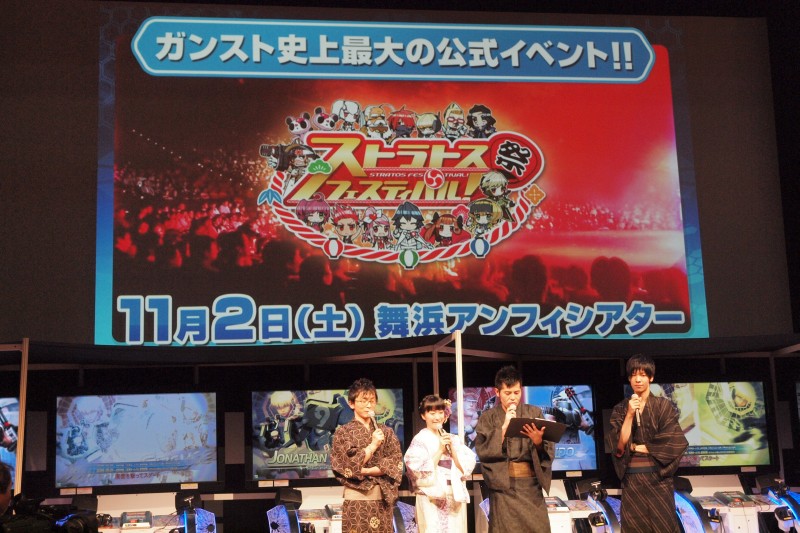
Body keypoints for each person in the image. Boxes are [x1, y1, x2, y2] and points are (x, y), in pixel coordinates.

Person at [609, 354, 688, 532]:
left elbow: (673, 441)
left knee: (664, 526)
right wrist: (630, 414)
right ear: (629, 378)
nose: (638, 379)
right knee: (633, 526)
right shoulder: (620, 409)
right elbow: (619, 447)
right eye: (634, 375)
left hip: (658, 479)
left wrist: (637, 447)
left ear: (651, 378)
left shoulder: (663, 406)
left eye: (643, 375)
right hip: (632, 480)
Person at [475, 366, 555, 533]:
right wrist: (504, 428)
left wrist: (538, 442)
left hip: (531, 487)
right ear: (497, 392)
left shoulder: (533, 412)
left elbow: (547, 451)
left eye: (516, 392)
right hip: (504, 488)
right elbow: (483, 451)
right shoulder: (488, 417)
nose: (513, 397)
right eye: (508, 393)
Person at [331, 378, 403, 533]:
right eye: (363, 401)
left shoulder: (386, 432)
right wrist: (373, 445)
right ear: (351, 403)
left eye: (371, 401)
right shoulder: (343, 432)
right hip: (356, 501)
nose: (368, 405)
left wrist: (366, 471)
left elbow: (394, 462)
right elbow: (347, 465)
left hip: (382, 500)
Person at [404, 394, 476, 532]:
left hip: (453, 495)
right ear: (423, 415)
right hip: (431, 496)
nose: (437, 417)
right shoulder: (420, 439)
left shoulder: (453, 439)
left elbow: (466, 466)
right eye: (432, 413)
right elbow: (416, 470)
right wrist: (440, 450)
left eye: (440, 412)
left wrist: (452, 451)